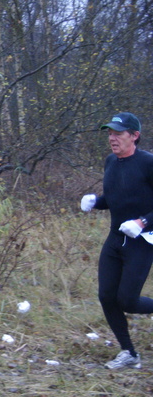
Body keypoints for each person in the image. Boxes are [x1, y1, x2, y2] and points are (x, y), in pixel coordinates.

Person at [81, 112, 153, 369]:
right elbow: (115, 198)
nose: (112, 138)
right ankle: (129, 352)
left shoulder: (148, 163)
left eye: (118, 133)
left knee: (128, 301)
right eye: (110, 133)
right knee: (106, 297)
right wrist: (96, 202)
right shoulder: (111, 161)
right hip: (115, 239)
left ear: (134, 136)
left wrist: (142, 222)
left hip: (142, 241)